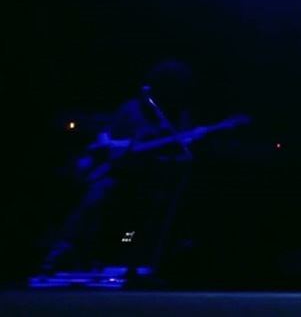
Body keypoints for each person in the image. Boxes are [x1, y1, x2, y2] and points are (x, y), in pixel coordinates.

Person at [41, 61, 198, 275]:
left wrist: (168, 155)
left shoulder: (178, 116)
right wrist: (123, 146)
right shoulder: (132, 108)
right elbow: (106, 138)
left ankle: (130, 258)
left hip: (150, 180)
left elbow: (181, 150)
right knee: (94, 200)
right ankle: (64, 250)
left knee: (140, 221)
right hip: (118, 174)